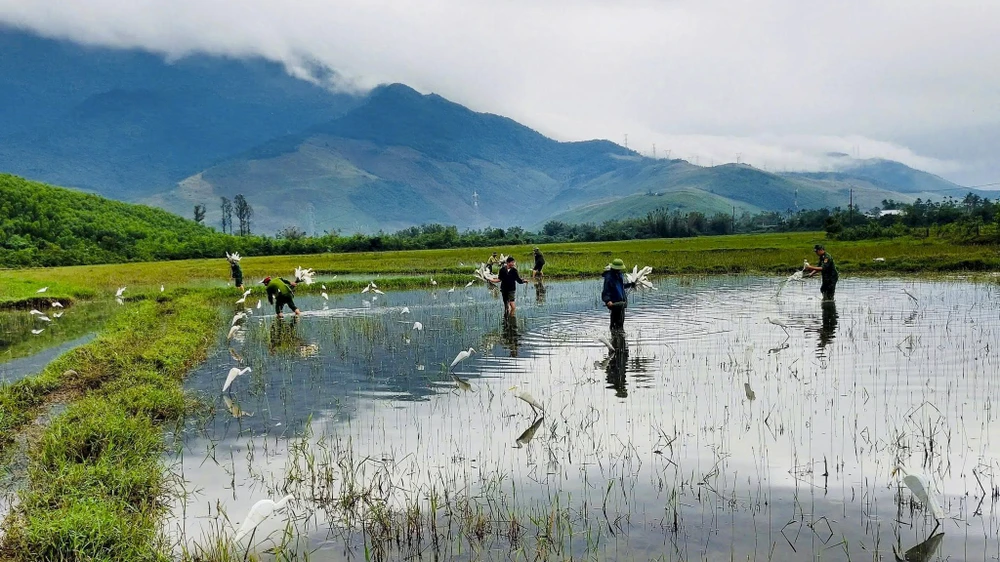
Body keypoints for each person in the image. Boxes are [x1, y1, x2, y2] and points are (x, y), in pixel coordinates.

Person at [602, 259, 636, 331]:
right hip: (614, 303)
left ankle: (620, 339)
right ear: (614, 268)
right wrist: (608, 301)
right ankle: (614, 337)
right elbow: (606, 291)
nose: (619, 270)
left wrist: (630, 285)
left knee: (620, 322)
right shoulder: (609, 278)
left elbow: (621, 286)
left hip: (621, 303)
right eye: (618, 269)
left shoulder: (619, 275)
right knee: (615, 323)